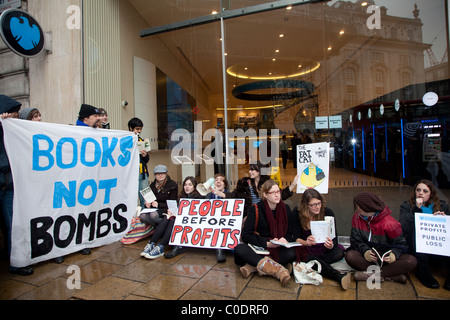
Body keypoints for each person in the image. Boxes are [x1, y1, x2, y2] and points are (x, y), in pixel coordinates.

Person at [234, 180, 299, 287]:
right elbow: (246, 235)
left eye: (278, 191)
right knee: (239, 249)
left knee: (292, 253)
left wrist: (284, 240)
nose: (277, 195)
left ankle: (254, 267)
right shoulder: (255, 209)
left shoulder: (286, 208)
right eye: (273, 192)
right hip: (262, 248)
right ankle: (279, 271)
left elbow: (289, 232)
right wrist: (267, 243)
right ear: (265, 194)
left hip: (279, 248)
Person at [345, 192, 417, 284]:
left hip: (387, 259)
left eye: (359, 208)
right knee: (350, 256)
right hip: (369, 258)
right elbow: (355, 241)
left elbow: (402, 244)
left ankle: (372, 275)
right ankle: (391, 275)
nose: (357, 210)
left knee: (411, 261)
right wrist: (365, 251)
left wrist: (394, 254)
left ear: (367, 208)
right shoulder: (356, 218)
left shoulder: (390, 223)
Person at [0, 95, 33, 276]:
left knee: (14, 224)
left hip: (10, 186)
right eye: (13, 114)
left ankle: (17, 261)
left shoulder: (17, 131)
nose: (16, 117)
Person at [291, 189, 351, 290]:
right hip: (307, 249)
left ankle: (312, 264)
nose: (317, 206)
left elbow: (335, 239)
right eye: (313, 205)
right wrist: (306, 242)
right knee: (298, 253)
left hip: (323, 249)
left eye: (319, 203)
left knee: (339, 252)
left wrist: (331, 245)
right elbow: (294, 238)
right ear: (306, 205)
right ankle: (337, 275)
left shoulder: (327, 212)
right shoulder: (297, 214)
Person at [399, 179, 450, 289]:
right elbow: (403, 228)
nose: (421, 193)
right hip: (417, 245)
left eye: (425, 191)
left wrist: (445, 219)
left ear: (431, 193)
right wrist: (416, 209)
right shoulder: (407, 206)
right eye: (418, 190)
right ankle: (423, 273)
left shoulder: (442, 206)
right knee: (415, 236)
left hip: (437, 243)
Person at [141, 176, 201, 259]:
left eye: (190, 185)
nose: (187, 187)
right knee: (167, 218)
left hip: (189, 221)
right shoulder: (182, 196)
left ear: (194, 186)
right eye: (185, 184)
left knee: (172, 221)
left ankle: (160, 246)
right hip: (178, 217)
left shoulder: (198, 197)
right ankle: (151, 243)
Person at [226, 162, 299, 217]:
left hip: (265, 214)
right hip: (250, 215)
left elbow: (281, 195)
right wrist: (219, 193)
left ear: (259, 170)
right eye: (249, 170)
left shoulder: (268, 183)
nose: (249, 172)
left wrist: (293, 184)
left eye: (252, 170)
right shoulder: (244, 183)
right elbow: (234, 195)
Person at [205, 173, 230, 263]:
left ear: (225, 184)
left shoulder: (230, 195)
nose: (218, 181)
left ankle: (220, 249)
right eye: (216, 180)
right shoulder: (208, 196)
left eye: (221, 180)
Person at [128, 118, 150, 208]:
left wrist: (145, 155)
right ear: (130, 128)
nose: (139, 131)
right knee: (130, 196)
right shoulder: (126, 140)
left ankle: (145, 215)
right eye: (137, 129)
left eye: (140, 129)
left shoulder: (141, 140)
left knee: (145, 197)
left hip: (142, 172)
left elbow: (147, 159)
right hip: (131, 173)